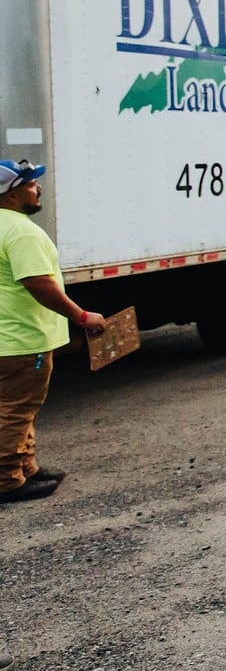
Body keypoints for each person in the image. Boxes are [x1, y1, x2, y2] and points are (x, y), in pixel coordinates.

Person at [0, 160, 106, 502]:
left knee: (20, 405)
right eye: (30, 183)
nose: (38, 187)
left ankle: (26, 467)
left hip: (7, 338)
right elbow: (38, 283)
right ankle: (6, 479)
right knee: (17, 407)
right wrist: (82, 315)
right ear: (12, 194)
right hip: (22, 341)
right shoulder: (20, 230)